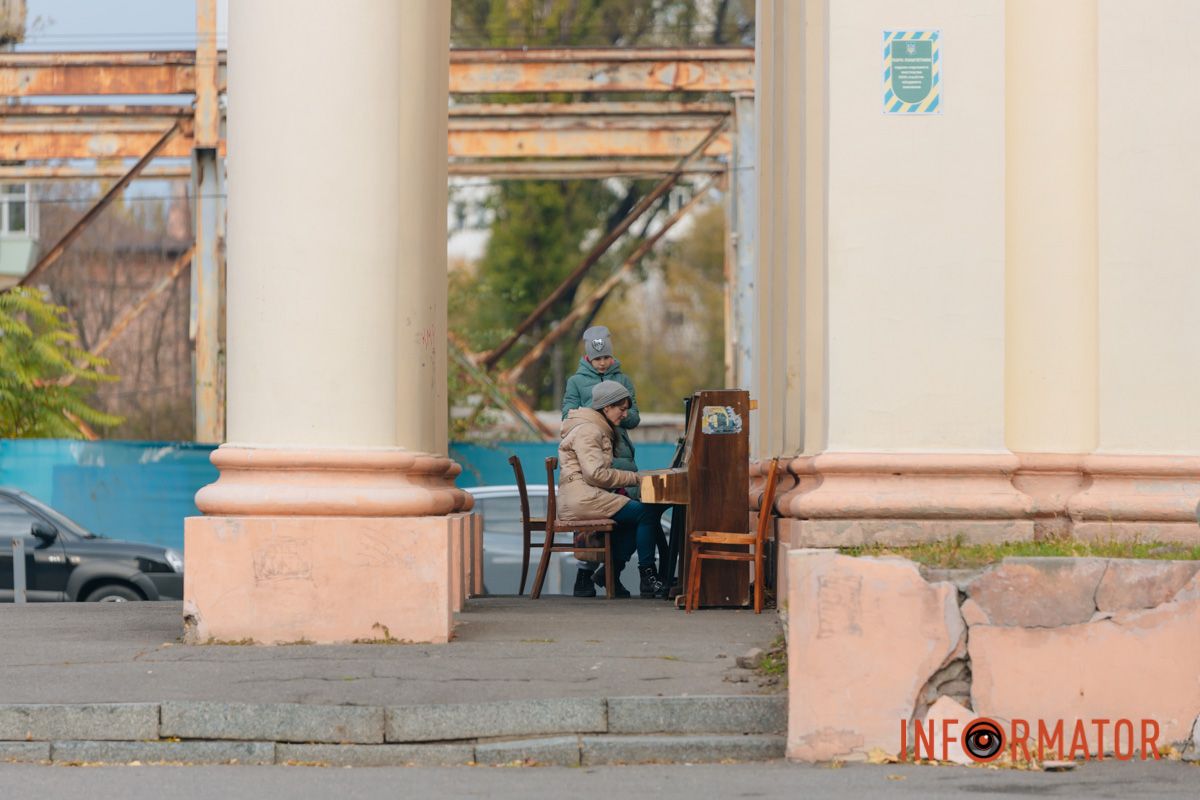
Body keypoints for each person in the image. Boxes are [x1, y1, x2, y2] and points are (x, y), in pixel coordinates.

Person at [558, 380, 667, 599]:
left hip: (584, 496)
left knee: (634, 521)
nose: (625, 414)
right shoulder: (589, 430)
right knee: (648, 512)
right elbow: (595, 473)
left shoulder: (594, 427)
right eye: (622, 409)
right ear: (606, 407)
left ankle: (609, 575)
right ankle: (648, 577)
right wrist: (635, 478)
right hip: (582, 499)